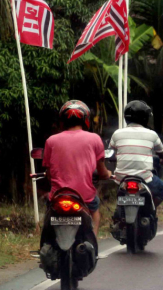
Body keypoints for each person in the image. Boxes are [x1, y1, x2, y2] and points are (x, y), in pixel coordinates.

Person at [42, 100, 112, 236]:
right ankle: (93, 244)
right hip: (85, 197)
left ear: (62, 121)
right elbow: (102, 172)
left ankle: (46, 241)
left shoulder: (51, 141)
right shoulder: (95, 139)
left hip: (58, 196)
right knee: (95, 212)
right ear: (85, 119)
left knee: (48, 215)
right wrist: (107, 174)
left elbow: (49, 175)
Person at [110, 101, 163, 209]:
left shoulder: (117, 133)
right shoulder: (152, 135)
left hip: (121, 178)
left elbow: (111, 153)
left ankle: (120, 213)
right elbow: (162, 154)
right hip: (144, 178)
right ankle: (149, 209)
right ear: (145, 118)